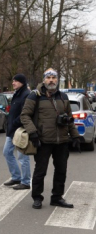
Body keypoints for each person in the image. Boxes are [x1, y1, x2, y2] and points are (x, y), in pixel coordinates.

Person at [20, 68, 83, 209]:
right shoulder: (34, 96)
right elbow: (24, 115)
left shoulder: (63, 97)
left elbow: (69, 119)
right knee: (40, 171)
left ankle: (57, 197)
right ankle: (37, 197)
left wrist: (75, 136)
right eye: (48, 77)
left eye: (54, 78)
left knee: (61, 170)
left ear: (57, 80)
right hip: (42, 141)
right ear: (44, 80)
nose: (51, 80)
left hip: (62, 141)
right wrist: (33, 133)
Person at [3, 73, 31, 190]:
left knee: (23, 157)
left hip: (21, 130)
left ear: (22, 82)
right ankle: (16, 177)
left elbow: (25, 113)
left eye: (15, 81)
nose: (13, 83)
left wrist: (14, 123)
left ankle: (25, 182)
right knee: (7, 152)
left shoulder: (26, 95)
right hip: (12, 130)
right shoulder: (17, 94)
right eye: (13, 81)